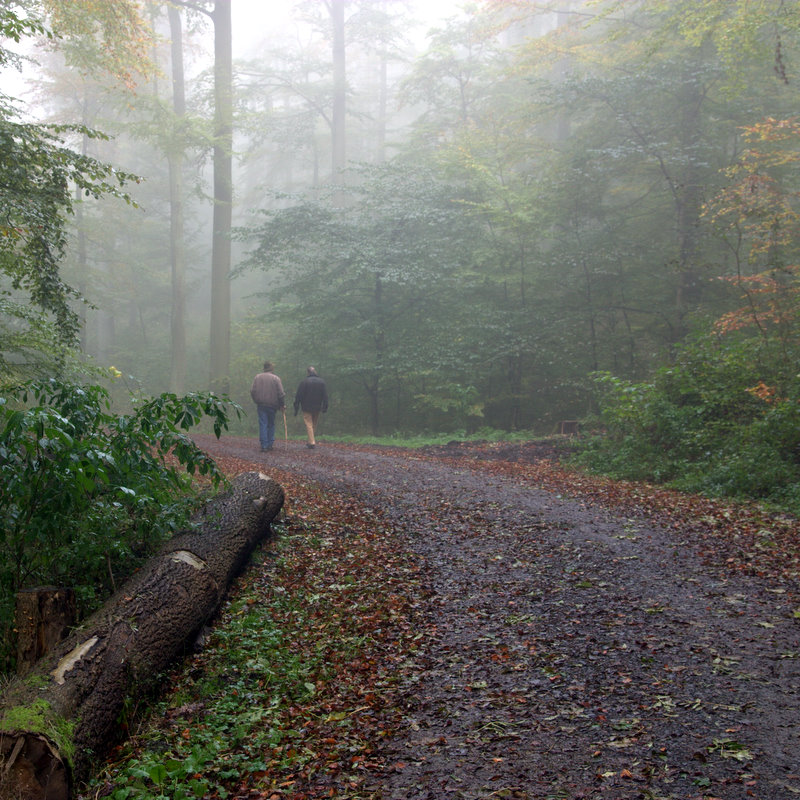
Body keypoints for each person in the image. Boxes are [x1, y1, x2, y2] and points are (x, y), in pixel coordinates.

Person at [250, 361, 285, 452]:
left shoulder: (257, 377)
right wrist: (282, 404)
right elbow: (281, 394)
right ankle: (269, 444)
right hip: (273, 405)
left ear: (264, 368)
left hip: (261, 404)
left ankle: (264, 445)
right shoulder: (276, 378)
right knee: (271, 424)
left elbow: (252, 391)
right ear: (271, 368)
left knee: (263, 424)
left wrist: (256, 400)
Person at [293, 366, 328, 449]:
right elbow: (325, 395)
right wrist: (325, 406)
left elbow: (299, 396)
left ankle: (312, 442)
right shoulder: (321, 382)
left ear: (308, 372)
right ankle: (310, 440)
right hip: (317, 406)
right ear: (315, 371)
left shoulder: (304, 382)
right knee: (313, 424)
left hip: (306, 407)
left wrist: (296, 407)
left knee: (309, 424)